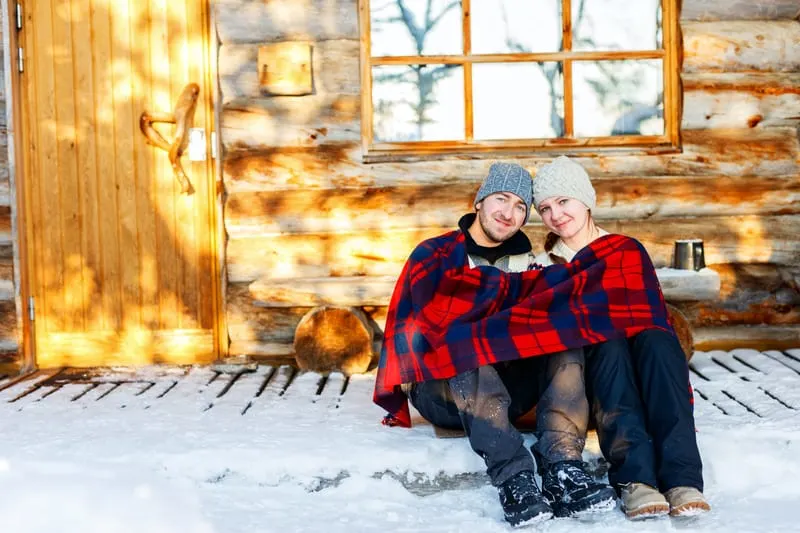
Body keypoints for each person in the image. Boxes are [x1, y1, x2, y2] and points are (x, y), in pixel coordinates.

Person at [402, 162, 616, 526]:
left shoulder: (528, 263)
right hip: (441, 387)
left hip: (507, 386)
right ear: (479, 201)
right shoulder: (435, 254)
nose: (509, 212)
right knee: (460, 337)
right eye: (501, 199)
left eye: (521, 206)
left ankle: (563, 467)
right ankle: (514, 476)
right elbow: (426, 328)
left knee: (561, 332)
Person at [530, 156, 711, 519]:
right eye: (545, 208)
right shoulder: (544, 263)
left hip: (643, 357)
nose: (556, 215)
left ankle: (681, 478)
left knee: (660, 341)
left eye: (563, 201)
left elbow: (648, 311)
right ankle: (635, 481)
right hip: (591, 368)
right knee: (607, 344)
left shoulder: (626, 249)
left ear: (585, 200)